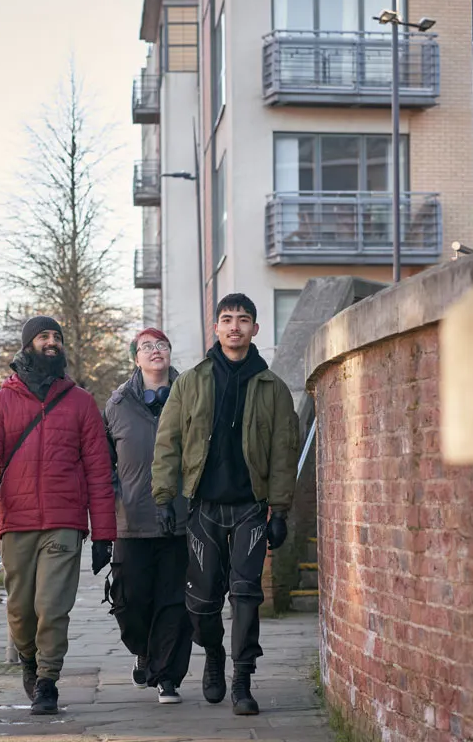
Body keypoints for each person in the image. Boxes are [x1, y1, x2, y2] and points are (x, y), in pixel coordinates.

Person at [151, 294, 300, 716]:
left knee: (247, 594)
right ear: (215, 328)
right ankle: (213, 654)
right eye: (227, 319)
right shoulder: (191, 382)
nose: (235, 326)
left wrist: (281, 511)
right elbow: (168, 444)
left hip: (250, 509)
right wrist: (164, 499)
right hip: (205, 509)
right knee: (200, 603)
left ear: (255, 329)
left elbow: (283, 452)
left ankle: (242, 679)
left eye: (243, 320)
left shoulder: (272, 388)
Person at [0, 316, 117, 716]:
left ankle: (48, 679)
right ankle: (30, 661)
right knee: (21, 609)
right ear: (28, 345)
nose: (51, 342)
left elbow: (100, 473)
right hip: (17, 522)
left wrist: (103, 534)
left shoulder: (81, 402)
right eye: (43, 336)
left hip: (65, 522)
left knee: (53, 606)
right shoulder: (0, 403)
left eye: (57, 337)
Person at [103, 328, 192, 705]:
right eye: (146, 347)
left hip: (182, 518)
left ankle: (167, 675)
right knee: (131, 601)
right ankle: (145, 650)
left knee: (175, 600)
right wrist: (116, 495)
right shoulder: (118, 403)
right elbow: (103, 461)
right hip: (133, 519)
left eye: (162, 345)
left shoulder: (191, 396)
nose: (156, 351)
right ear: (135, 359)